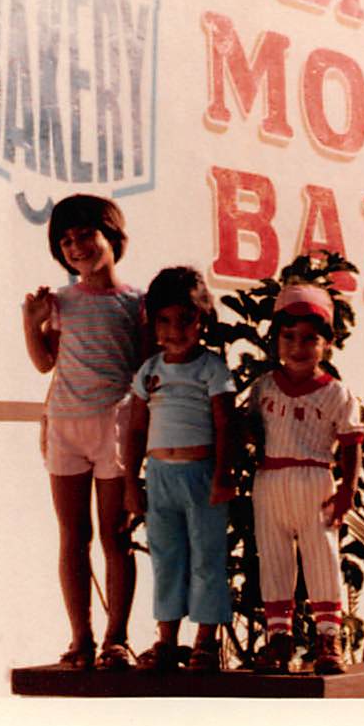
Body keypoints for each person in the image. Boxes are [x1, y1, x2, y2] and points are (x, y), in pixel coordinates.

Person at [22, 194, 143, 671]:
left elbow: (146, 371)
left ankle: (116, 638)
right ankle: (80, 637)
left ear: (111, 235)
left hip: (115, 427)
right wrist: (31, 324)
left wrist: (141, 444)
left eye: (85, 235)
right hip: (66, 427)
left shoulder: (136, 303)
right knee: (73, 535)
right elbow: (43, 362)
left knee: (117, 537)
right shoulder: (61, 302)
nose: (76, 248)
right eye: (66, 241)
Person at [123, 267, 237, 673]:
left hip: (202, 474)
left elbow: (226, 423)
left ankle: (206, 641)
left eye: (186, 319)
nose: (175, 330)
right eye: (165, 321)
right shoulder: (149, 371)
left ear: (202, 320)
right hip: (159, 476)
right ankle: (167, 640)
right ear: (153, 324)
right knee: (166, 557)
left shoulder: (211, 369)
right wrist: (130, 483)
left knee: (207, 556)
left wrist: (224, 475)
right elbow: (135, 428)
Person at [247, 284, 364, 676]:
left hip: (316, 480)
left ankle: (327, 638)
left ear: (327, 343)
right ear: (276, 337)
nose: (298, 347)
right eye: (289, 337)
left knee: (322, 559)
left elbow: (350, 443)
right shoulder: (263, 387)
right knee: (274, 558)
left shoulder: (336, 393)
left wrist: (347, 490)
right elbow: (249, 430)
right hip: (270, 480)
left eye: (310, 338)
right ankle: (279, 638)